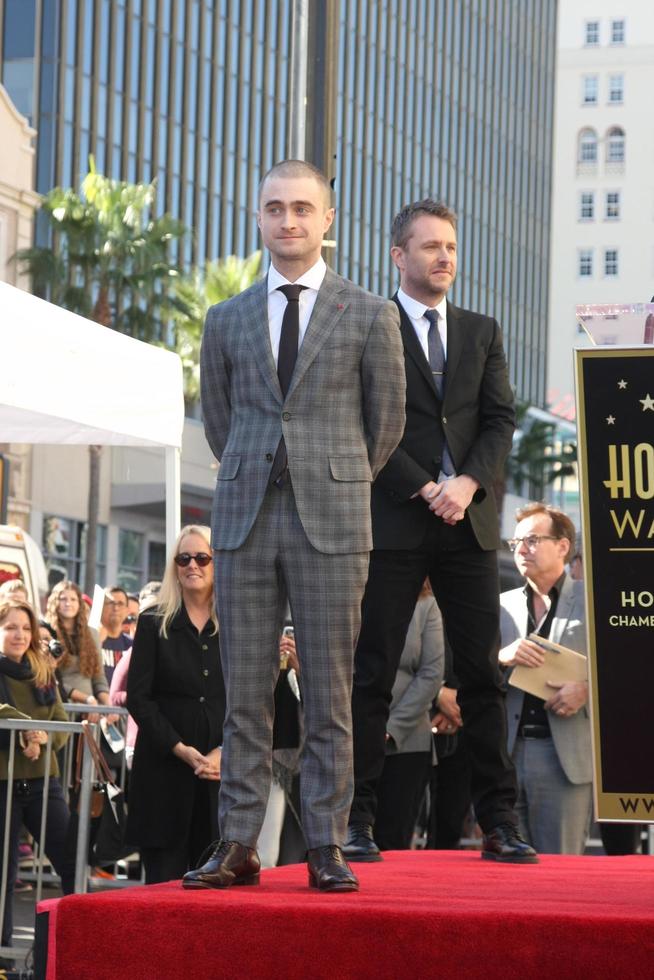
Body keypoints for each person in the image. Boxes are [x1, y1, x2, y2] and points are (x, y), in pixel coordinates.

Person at [185, 159, 406, 893]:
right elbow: (221, 423)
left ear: (327, 219)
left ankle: (326, 843)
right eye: (275, 208)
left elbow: (386, 427)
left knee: (330, 692)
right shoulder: (226, 318)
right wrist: (257, 467)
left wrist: (333, 474)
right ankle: (239, 840)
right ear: (258, 216)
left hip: (334, 520)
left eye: (302, 208)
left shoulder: (370, 314)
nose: (289, 221)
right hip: (246, 517)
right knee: (244, 691)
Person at [345, 198, 537, 865]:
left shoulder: (482, 331)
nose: (444, 257)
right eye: (429, 247)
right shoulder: (369, 324)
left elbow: (498, 421)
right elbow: (363, 423)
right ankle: (355, 821)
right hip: (397, 517)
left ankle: (500, 823)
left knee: (483, 675)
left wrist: (466, 485)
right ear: (399, 255)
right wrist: (424, 485)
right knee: (371, 673)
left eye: (450, 247)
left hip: (469, 524)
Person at [126, 525, 225, 884]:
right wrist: (179, 747)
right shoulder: (153, 622)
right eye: (183, 558)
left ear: (218, 563)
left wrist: (224, 751)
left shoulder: (235, 625)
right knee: (163, 886)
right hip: (163, 775)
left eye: (202, 557)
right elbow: (139, 697)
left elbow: (250, 700)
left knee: (215, 895)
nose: (192, 566)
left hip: (218, 780)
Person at [500, 503, 592, 854]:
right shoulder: (502, 604)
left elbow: (627, 670)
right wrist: (500, 657)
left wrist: (586, 691)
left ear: (564, 546)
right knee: (507, 881)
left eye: (533, 540)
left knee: (561, 876)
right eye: (516, 542)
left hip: (562, 755)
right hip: (507, 753)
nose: (522, 549)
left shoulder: (594, 601)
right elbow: (472, 673)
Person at [0, 600, 75, 958]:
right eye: (11, 627)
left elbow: (61, 720)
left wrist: (42, 737)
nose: (19, 635)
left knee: (71, 860)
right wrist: (25, 731)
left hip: (45, 781)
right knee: (3, 875)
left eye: (26, 628)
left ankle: (77, 942)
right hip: (4, 783)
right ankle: (2, 950)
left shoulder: (41, 668)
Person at [374, 582, 444, 850]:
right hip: (352, 738)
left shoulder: (426, 604)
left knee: (392, 844)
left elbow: (431, 674)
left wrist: (391, 729)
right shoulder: (348, 595)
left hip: (407, 742)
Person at [45, 580, 116, 721]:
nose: (68, 603)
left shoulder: (92, 634)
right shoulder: (47, 632)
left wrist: (109, 707)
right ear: (55, 602)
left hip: (89, 714)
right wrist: (86, 699)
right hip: (60, 707)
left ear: (79, 603)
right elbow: (50, 679)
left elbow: (98, 677)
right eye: (63, 599)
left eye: (73, 599)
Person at [99, 587, 132, 686]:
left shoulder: (132, 645)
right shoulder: (89, 639)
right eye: (111, 603)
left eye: (120, 604)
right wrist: (97, 641)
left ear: (127, 610)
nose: (116, 608)